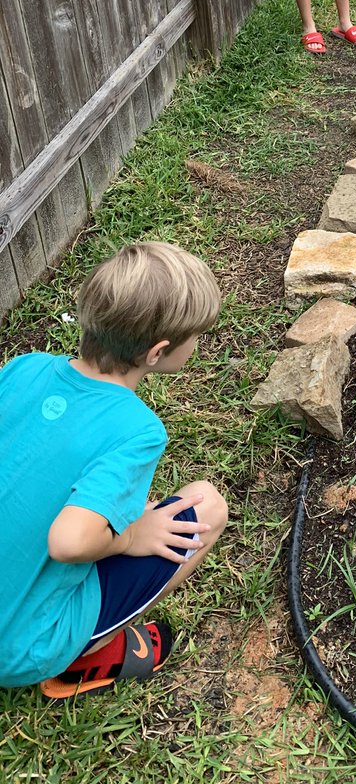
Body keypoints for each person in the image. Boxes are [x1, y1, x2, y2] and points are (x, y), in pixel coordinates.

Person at [0, 242, 228, 701]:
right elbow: (69, 542)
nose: (198, 345)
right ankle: (86, 655)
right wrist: (129, 537)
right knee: (207, 505)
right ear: (158, 351)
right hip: (20, 648)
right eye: (196, 336)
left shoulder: (23, 368)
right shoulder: (137, 431)